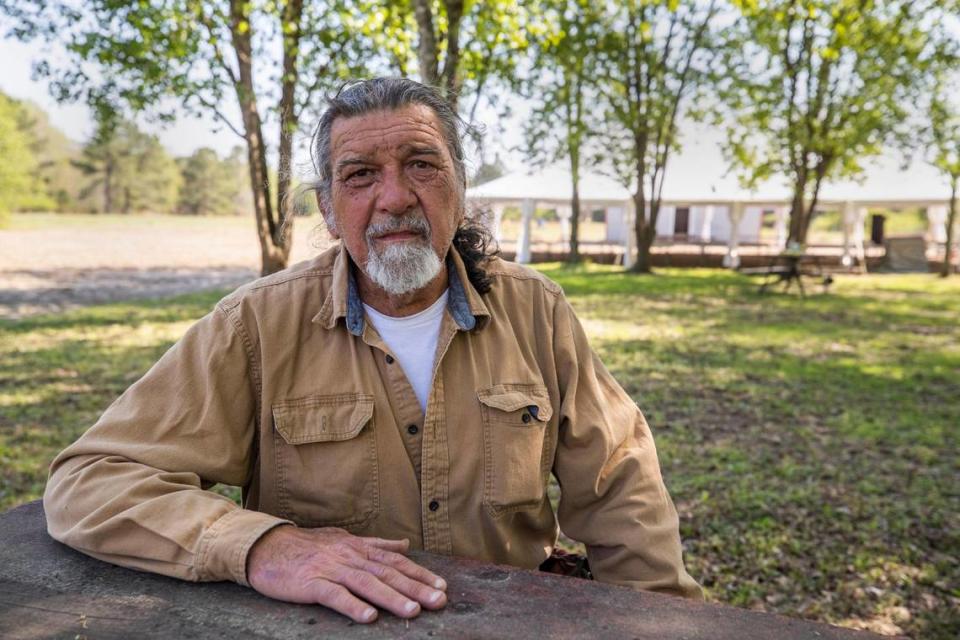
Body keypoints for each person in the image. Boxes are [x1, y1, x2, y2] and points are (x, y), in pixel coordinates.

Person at [43, 78, 701, 625]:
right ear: (330, 211)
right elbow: (89, 481)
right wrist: (264, 547)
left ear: (458, 188)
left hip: (510, 625)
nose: (394, 197)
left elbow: (621, 489)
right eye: (360, 176)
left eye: (421, 164)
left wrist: (666, 621)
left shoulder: (537, 311)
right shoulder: (257, 326)